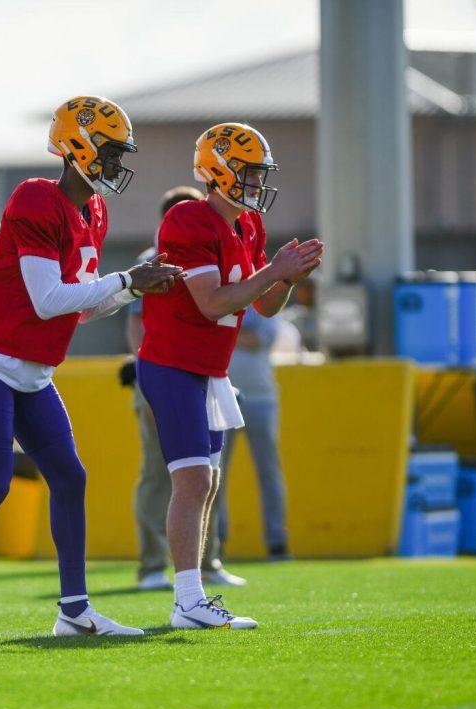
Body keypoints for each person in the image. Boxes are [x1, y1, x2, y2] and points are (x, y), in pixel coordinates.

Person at [0, 96, 181, 640]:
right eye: (108, 151)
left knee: (69, 477)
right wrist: (129, 281)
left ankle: (74, 611)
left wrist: (133, 287)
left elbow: (79, 307)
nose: (114, 164)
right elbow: (45, 299)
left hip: (33, 369)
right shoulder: (37, 198)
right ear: (76, 146)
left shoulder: (95, 211)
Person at [137, 122, 322, 630]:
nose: (258, 186)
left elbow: (263, 304)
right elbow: (213, 300)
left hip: (210, 370)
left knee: (208, 479)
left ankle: (191, 597)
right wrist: (275, 268)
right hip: (173, 364)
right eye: (250, 175)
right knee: (192, 479)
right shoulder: (188, 219)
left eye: (261, 176)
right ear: (221, 171)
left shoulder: (249, 226)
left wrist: (286, 276)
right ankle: (187, 600)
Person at [123, 186, 204, 592]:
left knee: (204, 474)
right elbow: (136, 324)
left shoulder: (210, 250)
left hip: (197, 374)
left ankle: (207, 560)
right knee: (158, 473)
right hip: (160, 375)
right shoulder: (151, 261)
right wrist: (147, 379)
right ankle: (152, 565)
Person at [210, 304, 291, 570]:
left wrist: (223, 331)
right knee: (216, 474)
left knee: (269, 472)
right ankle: (215, 543)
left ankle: (277, 541)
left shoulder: (264, 304)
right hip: (222, 398)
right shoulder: (216, 296)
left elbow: (260, 340)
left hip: (260, 398)